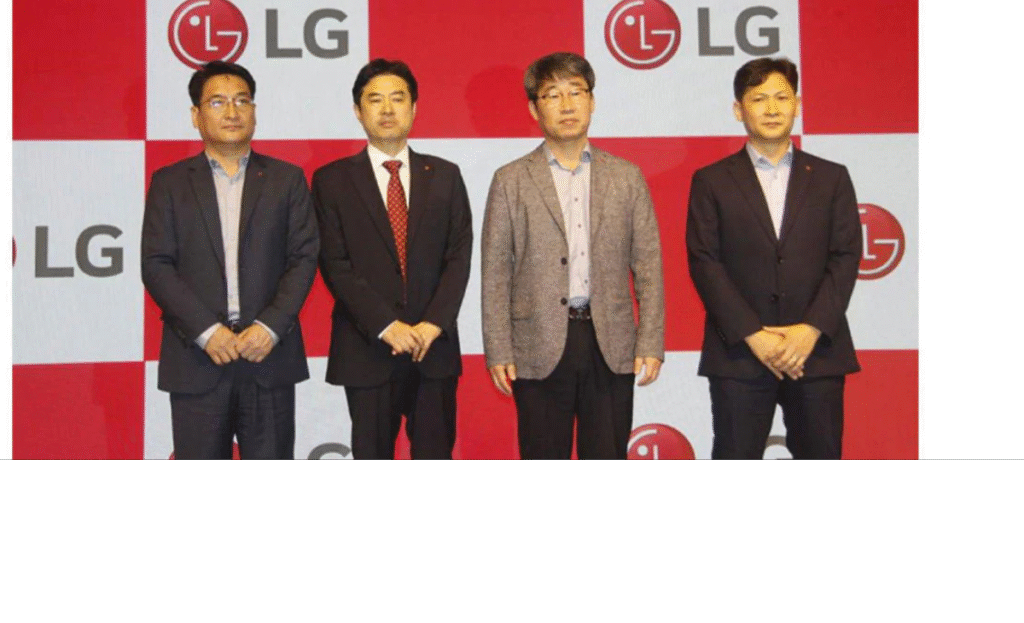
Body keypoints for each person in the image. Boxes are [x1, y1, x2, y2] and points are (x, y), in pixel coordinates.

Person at [481, 51, 665, 460]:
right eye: (552, 95)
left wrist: (651, 340)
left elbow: (648, 266)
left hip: (610, 342)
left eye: (576, 92)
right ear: (534, 109)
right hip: (537, 342)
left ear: (592, 101)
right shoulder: (510, 180)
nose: (567, 105)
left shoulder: (626, 176)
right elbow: (495, 272)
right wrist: (499, 349)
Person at [141, 60, 319, 459]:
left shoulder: (287, 180)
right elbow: (156, 264)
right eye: (218, 102)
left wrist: (269, 327)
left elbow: (304, 257)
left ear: (254, 111)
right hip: (197, 359)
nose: (232, 111)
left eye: (242, 100)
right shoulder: (169, 183)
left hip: (268, 357)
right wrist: (208, 331)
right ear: (196, 115)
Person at [686, 57, 862, 460]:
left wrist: (810, 330)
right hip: (740, 354)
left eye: (781, 98)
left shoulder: (832, 177)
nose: (771, 108)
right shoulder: (711, 180)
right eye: (758, 99)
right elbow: (704, 262)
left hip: (816, 353)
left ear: (797, 105)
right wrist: (755, 336)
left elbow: (846, 256)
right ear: (738, 109)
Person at [312, 59, 472, 460]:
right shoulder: (331, 180)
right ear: (358, 110)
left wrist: (433, 323)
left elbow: (459, 256)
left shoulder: (446, 175)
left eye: (397, 99)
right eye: (375, 100)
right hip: (367, 348)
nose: (387, 109)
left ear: (414, 108)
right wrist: (387, 325)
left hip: (433, 348)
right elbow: (335, 264)